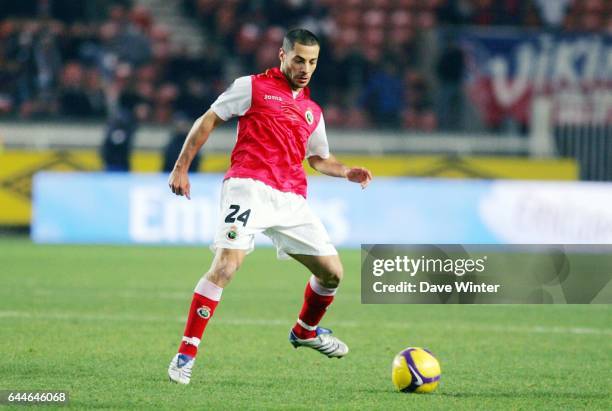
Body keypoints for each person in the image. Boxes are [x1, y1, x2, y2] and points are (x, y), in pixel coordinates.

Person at [166, 28, 373, 385]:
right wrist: (181, 166)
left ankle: (305, 331)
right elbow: (209, 119)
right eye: (298, 59)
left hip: (291, 197)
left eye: (312, 61)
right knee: (226, 266)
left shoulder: (312, 110)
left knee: (333, 273)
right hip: (248, 188)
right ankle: (186, 353)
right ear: (282, 56)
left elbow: (320, 158)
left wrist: (346, 172)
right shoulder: (252, 87)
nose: (305, 67)